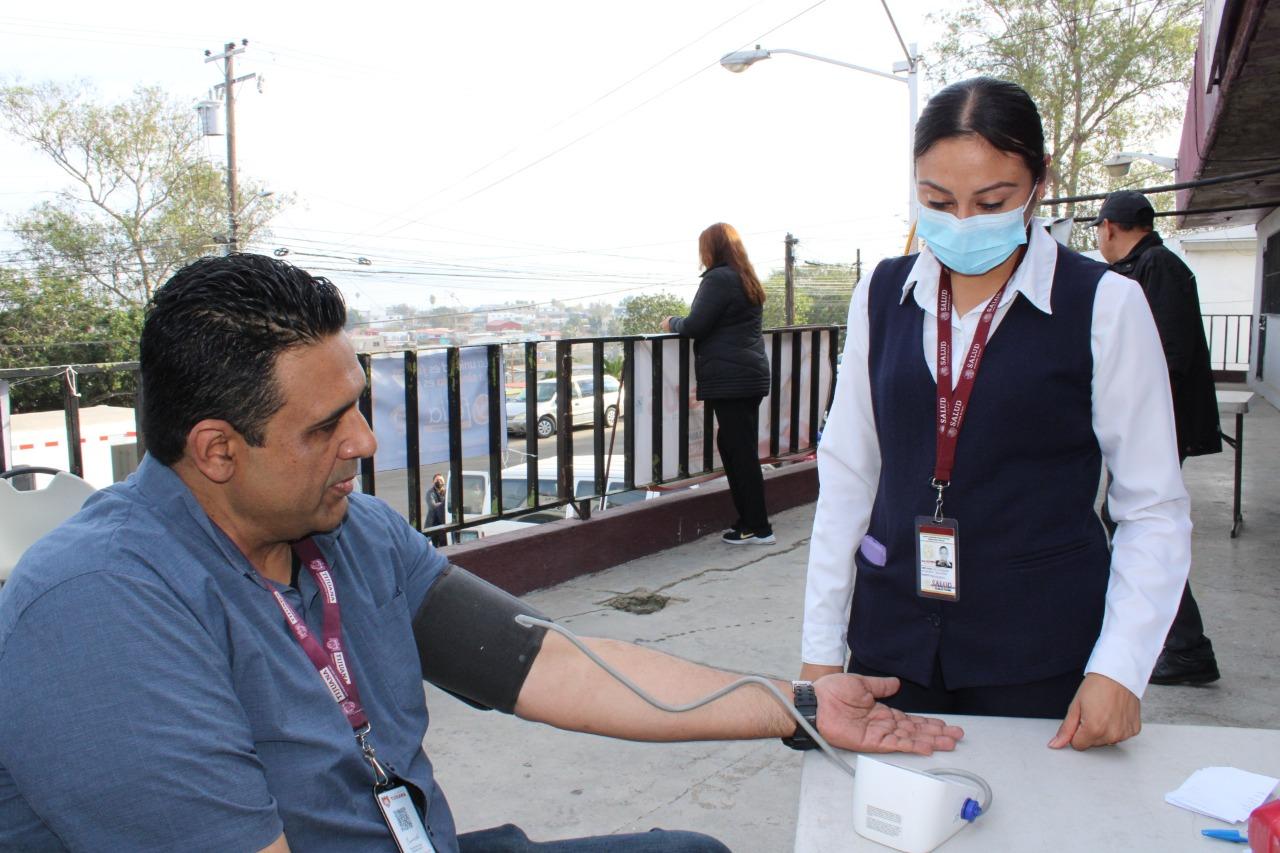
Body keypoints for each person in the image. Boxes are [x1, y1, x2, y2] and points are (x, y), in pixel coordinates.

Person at [0, 253, 963, 853]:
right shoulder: (95, 612)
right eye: (327, 425)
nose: (367, 444)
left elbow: (540, 659)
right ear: (216, 449)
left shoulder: (349, 532)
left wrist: (789, 707)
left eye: (363, 405)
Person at [799, 77, 1192, 752]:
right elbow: (847, 478)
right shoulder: (880, 296)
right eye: (937, 201)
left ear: (1040, 182)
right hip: (891, 645)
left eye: (991, 202)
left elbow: (1153, 505)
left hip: (1038, 652)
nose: (961, 222)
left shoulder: (1104, 305)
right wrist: (820, 650)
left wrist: (1120, 667)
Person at [1092, 189, 1223, 686]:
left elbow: (1164, 354)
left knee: (1138, 519)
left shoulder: (1159, 269)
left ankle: (1187, 647)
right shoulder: (1143, 268)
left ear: (1110, 227)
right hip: (1154, 419)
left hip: (1162, 422)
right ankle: (1176, 641)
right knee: (1122, 517)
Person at [660, 223, 774, 545]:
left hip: (731, 379)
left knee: (740, 454)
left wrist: (671, 322)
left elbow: (695, 325)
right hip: (749, 375)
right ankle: (750, 522)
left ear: (712, 248)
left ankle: (758, 527)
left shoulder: (718, 279)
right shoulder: (745, 276)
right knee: (738, 449)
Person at [427, 472, 447, 547]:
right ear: (433, 482)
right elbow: (432, 506)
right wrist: (443, 504)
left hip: (443, 523)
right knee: (435, 546)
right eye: (437, 480)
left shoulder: (446, 492)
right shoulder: (430, 493)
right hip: (433, 524)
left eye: (441, 480)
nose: (439, 482)